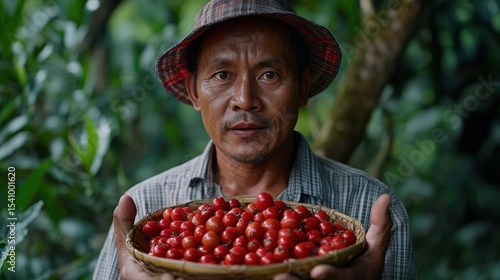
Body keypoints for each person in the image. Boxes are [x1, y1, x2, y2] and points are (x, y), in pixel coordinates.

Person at [93, 0, 418, 279]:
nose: (245, 99)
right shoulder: (145, 210)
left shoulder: (368, 210)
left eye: (269, 75)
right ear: (194, 92)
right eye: (222, 75)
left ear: (302, 89)